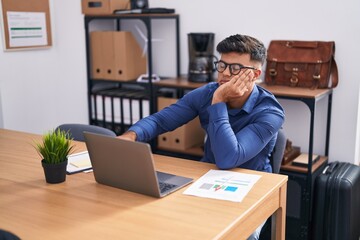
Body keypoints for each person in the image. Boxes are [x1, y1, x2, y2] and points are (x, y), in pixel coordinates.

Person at [119, 34, 285, 240]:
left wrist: (219, 102)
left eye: (235, 69)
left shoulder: (270, 112)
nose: (224, 74)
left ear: (255, 74)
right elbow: (161, 120)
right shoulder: (208, 92)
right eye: (222, 65)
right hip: (208, 176)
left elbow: (228, 158)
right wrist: (131, 136)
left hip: (251, 188)